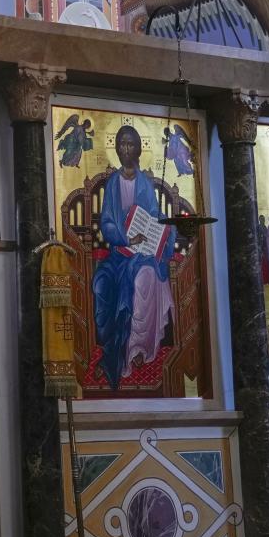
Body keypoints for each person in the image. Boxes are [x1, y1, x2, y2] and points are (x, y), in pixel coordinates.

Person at [92, 125, 176, 389]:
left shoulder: (144, 183)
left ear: (139, 149)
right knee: (101, 284)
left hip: (144, 253)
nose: (126, 149)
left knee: (145, 278)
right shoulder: (113, 184)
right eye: (122, 144)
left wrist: (154, 233)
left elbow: (154, 216)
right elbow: (106, 223)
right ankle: (116, 353)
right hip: (120, 252)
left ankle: (139, 349)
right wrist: (126, 239)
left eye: (131, 144)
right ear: (117, 149)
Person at [258, 214, 269, 284]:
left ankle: (267, 279)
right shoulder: (258, 228)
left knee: (266, 263)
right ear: (259, 220)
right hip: (261, 247)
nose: (262, 220)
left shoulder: (265, 227)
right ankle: (263, 280)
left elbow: (267, 236)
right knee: (262, 264)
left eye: (263, 219)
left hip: (266, 247)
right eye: (261, 219)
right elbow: (258, 238)